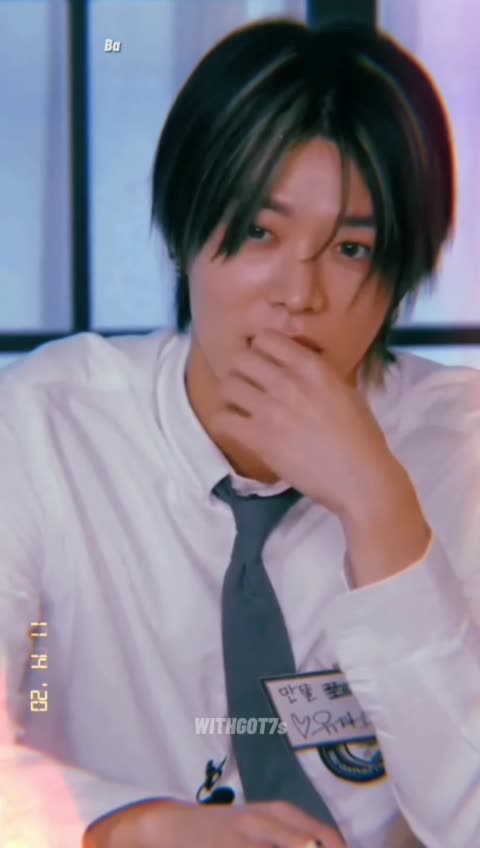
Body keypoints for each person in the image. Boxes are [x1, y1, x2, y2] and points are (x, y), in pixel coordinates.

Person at [1, 15, 479, 848]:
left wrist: (381, 512)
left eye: (353, 249)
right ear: (185, 234)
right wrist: (135, 828)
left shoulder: (462, 445)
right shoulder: (47, 427)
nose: (299, 295)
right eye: (260, 232)